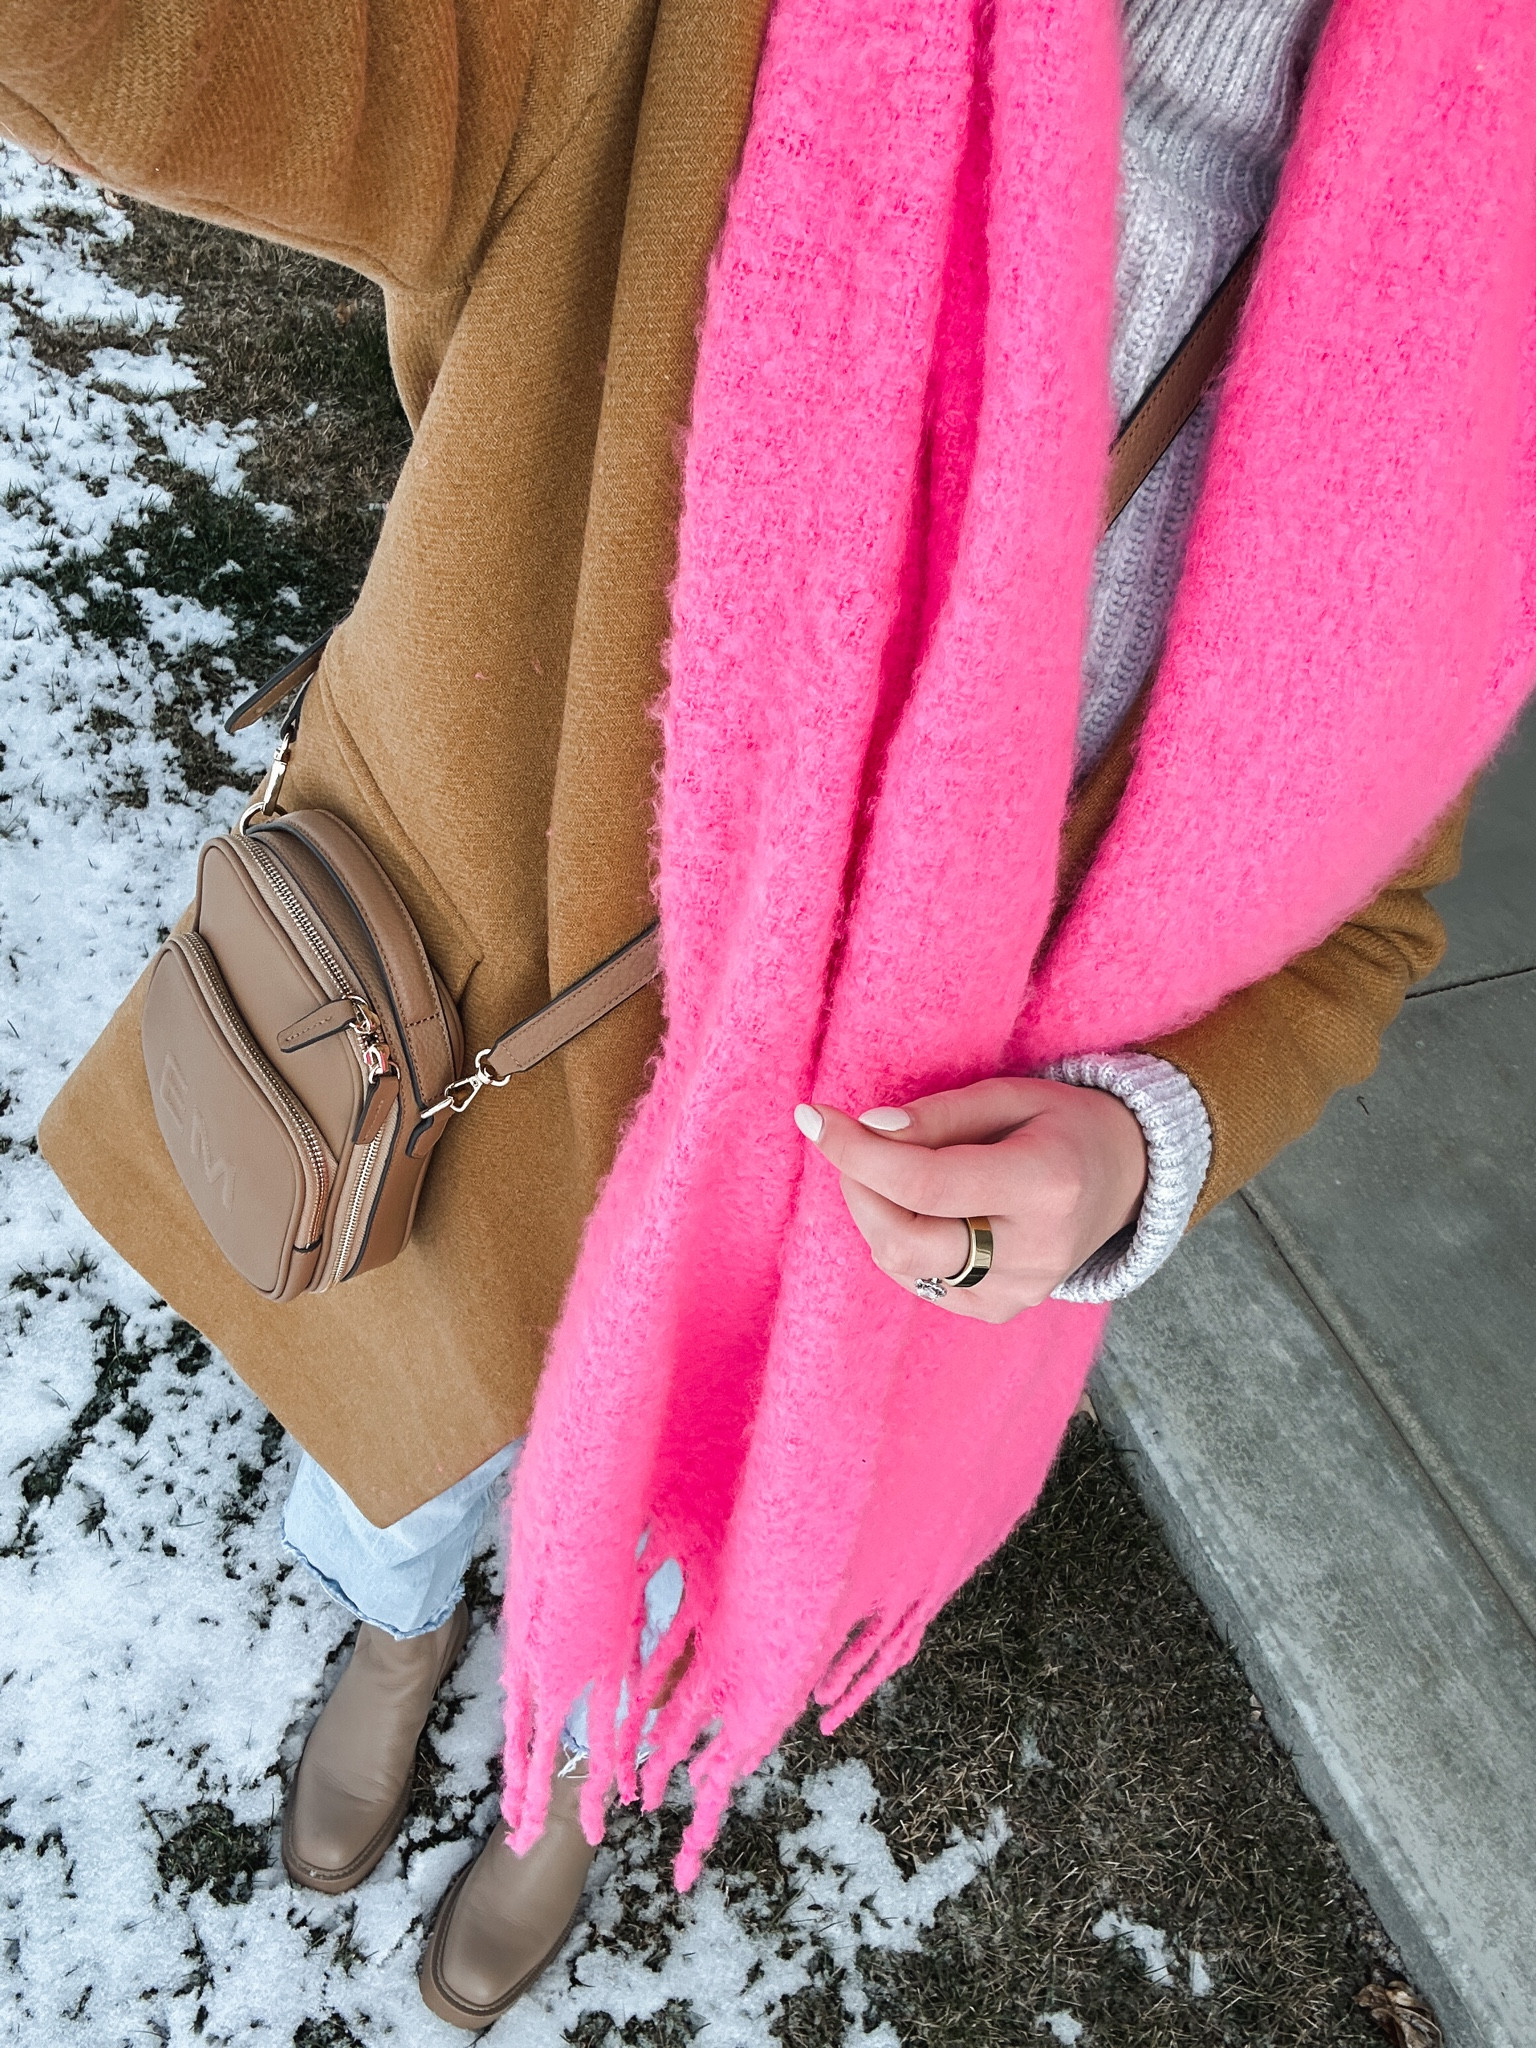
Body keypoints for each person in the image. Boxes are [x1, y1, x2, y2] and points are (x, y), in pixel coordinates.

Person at [7, 0, 1528, 2028]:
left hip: (824, 1287)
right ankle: (399, 1633)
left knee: (663, 1535)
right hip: (491, 1079)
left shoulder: (1489, 299)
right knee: (398, 1456)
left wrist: (1134, 1149)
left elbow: (1373, 911)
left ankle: (569, 1751)